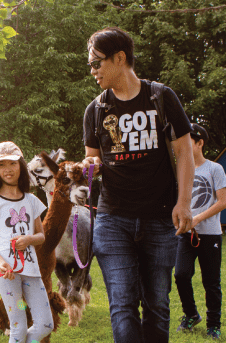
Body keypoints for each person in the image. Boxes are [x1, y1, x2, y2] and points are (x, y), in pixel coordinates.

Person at [79, 27, 195, 342]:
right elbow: (93, 160)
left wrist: (183, 203)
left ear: (120, 58)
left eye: (96, 63)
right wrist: (88, 166)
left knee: (156, 304)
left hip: (159, 218)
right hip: (112, 219)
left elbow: (185, 152)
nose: (93, 71)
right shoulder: (96, 110)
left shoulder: (160, 96)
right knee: (122, 304)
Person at [0, 142, 52, 343]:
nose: (8, 169)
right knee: (18, 327)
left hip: (31, 269)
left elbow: (41, 236)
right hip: (7, 273)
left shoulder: (31, 200)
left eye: (12, 163)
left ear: (21, 166)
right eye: (2, 165)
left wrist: (28, 239)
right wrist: (1, 263)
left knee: (46, 325)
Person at [174, 123, 223, 339]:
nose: (183, 144)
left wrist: (197, 219)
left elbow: (223, 201)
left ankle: (214, 324)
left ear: (199, 143)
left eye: (189, 140)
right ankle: (191, 314)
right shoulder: (181, 169)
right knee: (181, 275)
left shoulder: (214, 169)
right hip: (186, 235)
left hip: (210, 234)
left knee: (211, 282)